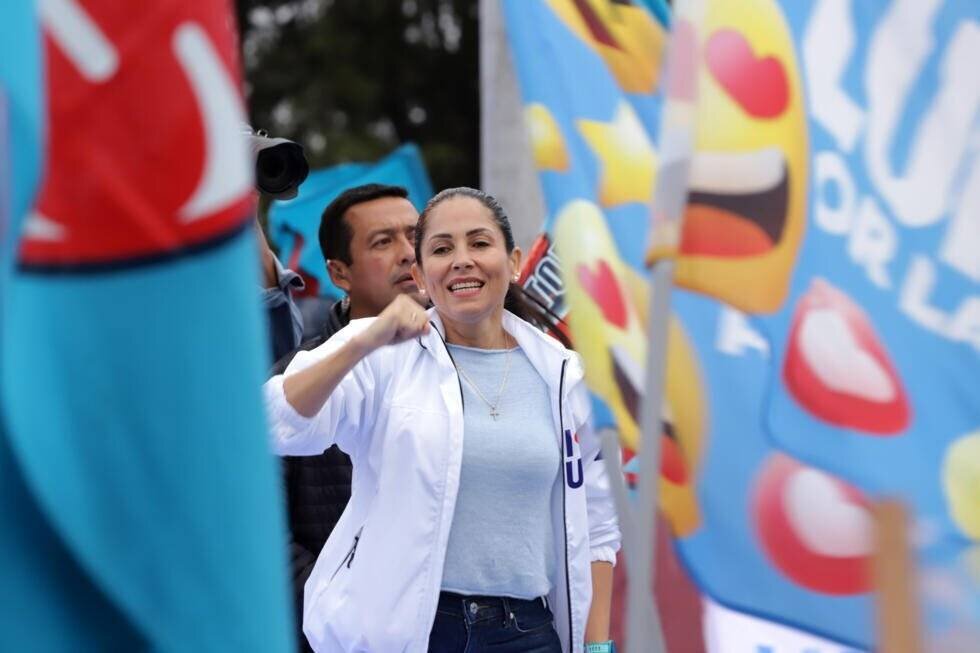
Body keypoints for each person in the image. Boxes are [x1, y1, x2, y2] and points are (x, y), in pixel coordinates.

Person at [265, 187, 620, 653]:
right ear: (420, 273)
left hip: (528, 632)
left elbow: (596, 527)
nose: (462, 260)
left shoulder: (565, 378)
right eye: (441, 249)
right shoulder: (381, 355)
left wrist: (596, 648)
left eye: (479, 243)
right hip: (413, 632)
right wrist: (363, 341)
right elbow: (275, 425)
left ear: (513, 262)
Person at [269, 183, 425, 651]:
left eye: (417, 235)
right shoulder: (300, 381)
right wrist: (340, 611)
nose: (408, 253)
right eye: (383, 242)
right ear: (339, 272)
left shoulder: (473, 361)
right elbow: (263, 535)